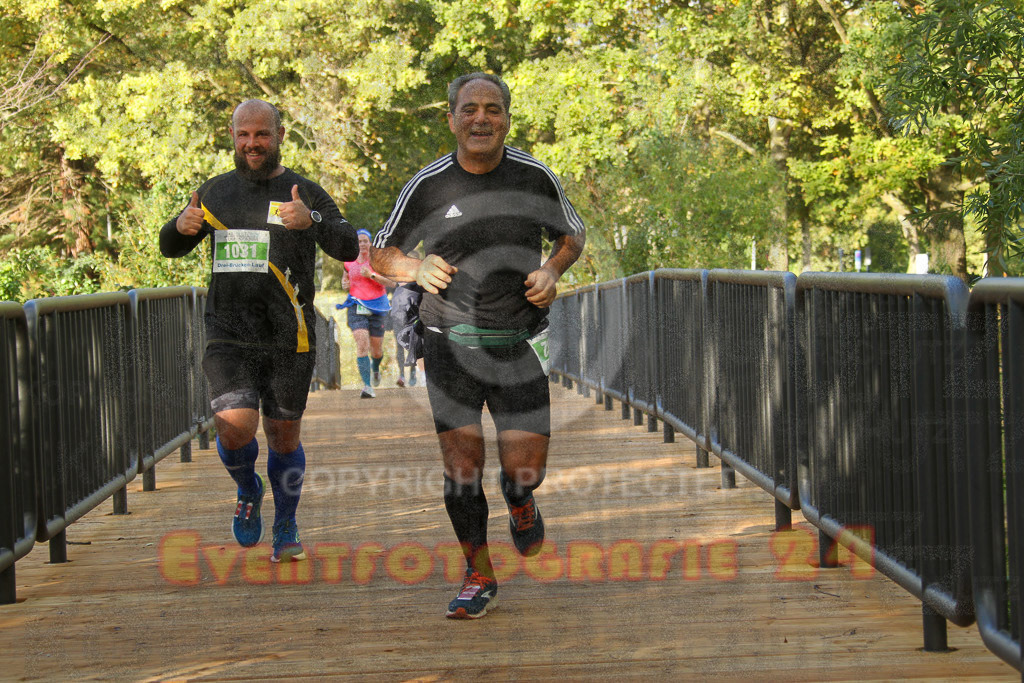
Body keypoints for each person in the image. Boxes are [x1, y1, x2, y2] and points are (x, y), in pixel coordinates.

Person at [371, 72, 586, 619]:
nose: (481, 118)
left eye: (493, 109)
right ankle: (478, 572)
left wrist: (552, 269)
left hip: (520, 340)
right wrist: (414, 266)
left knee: (525, 468)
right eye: (469, 109)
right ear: (451, 118)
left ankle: (520, 502)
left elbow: (573, 234)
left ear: (507, 119)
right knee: (461, 466)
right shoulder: (428, 183)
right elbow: (381, 253)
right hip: (449, 342)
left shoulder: (534, 176)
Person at [159, 99, 359, 563]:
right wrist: (179, 226)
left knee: (283, 435)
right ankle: (248, 487)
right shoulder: (213, 193)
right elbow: (171, 247)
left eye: (261, 135)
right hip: (227, 332)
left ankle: (286, 523)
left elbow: (348, 245)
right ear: (232, 136)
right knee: (234, 427)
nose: (252, 144)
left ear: (280, 135)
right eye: (243, 135)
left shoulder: (303, 191)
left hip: (291, 337)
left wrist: (312, 221)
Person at [338, 229, 395, 398]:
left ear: (370, 243)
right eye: (359, 241)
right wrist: (344, 283)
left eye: (365, 241)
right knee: (362, 342)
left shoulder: (378, 261)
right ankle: (368, 386)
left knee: (376, 350)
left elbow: (391, 282)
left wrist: (372, 275)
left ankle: (376, 367)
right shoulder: (349, 262)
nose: (362, 244)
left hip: (377, 307)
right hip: (356, 306)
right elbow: (346, 279)